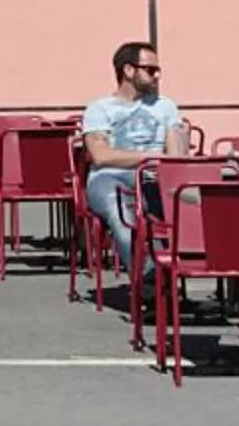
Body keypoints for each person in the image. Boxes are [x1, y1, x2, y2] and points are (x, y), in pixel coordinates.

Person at [80, 39, 186, 299]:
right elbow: (101, 156)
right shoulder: (100, 109)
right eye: (150, 70)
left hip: (156, 178)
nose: (156, 76)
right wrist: (150, 156)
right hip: (110, 178)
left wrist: (172, 153)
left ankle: (210, 277)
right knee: (121, 213)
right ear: (128, 71)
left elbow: (177, 156)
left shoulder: (166, 107)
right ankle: (151, 286)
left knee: (190, 207)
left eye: (157, 70)